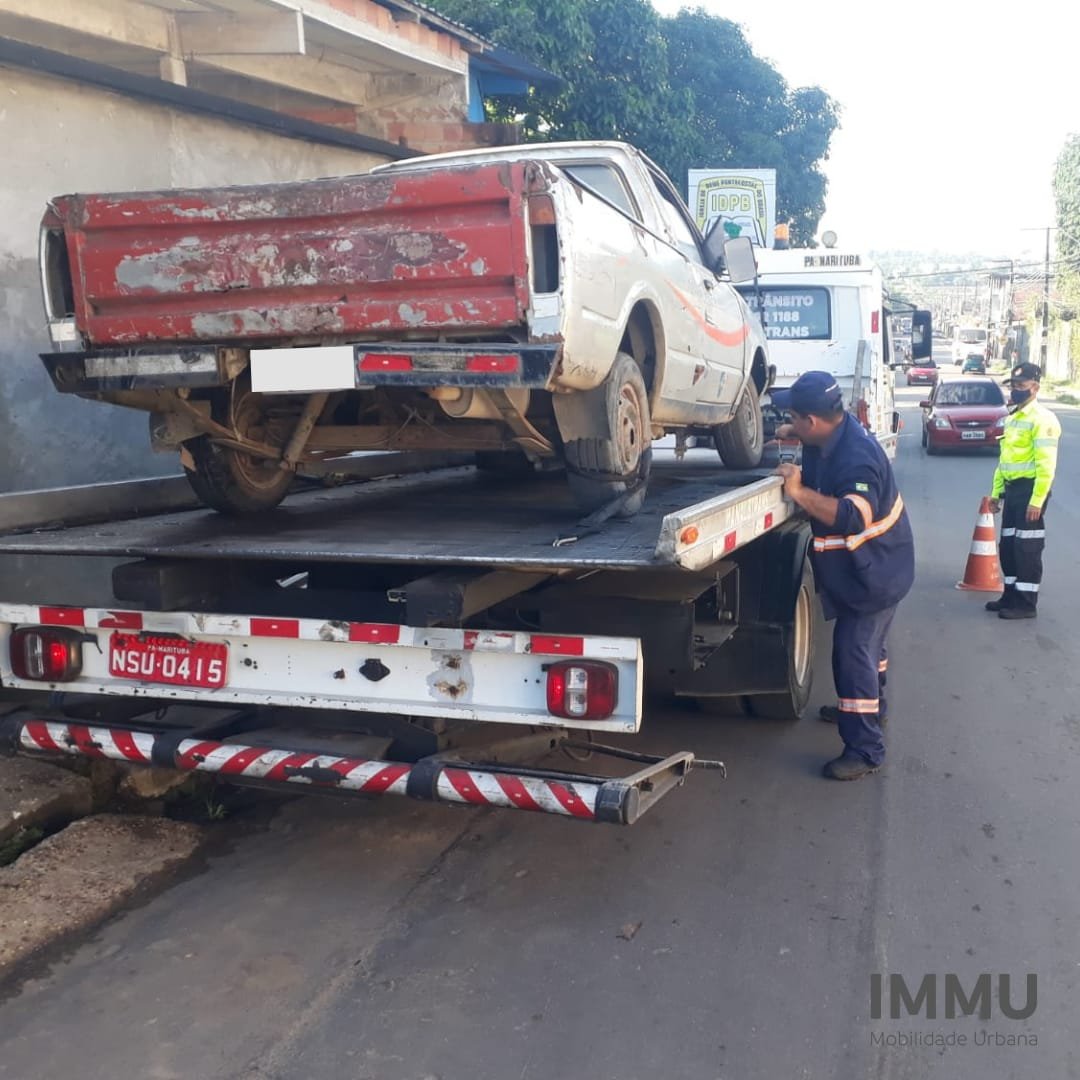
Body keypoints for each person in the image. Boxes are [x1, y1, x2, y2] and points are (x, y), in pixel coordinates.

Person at [771, 372, 915, 781]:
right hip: (878, 569)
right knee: (870, 651)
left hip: (875, 575)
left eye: (794, 418)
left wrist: (797, 492)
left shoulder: (856, 455)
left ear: (813, 421)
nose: (790, 423)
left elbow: (854, 515)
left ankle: (866, 750)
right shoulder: (829, 435)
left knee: (853, 658)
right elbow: (813, 441)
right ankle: (872, 706)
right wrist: (790, 431)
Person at [985, 362, 1061, 619]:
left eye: (1021, 386)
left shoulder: (1043, 420)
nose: (1015, 390)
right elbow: (1004, 462)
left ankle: (1026, 604)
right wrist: (996, 494)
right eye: (1014, 386)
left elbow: (1046, 466)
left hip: (1031, 491)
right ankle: (1010, 595)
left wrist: (1037, 500)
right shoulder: (1013, 418)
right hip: (1012, 491)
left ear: (1035, 387)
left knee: (1026, 548)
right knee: (1008, 546)